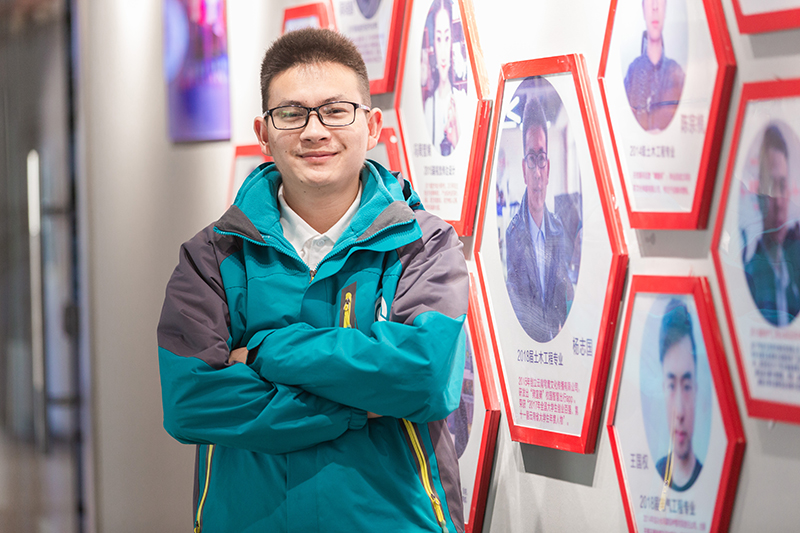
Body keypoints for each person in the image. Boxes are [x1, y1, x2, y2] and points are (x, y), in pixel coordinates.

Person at [157, 28, 469, 532]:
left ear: (372, 126)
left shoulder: (424, 245)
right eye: (291, 114)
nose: (314, 131)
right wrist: (358, 406)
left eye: (335, 110)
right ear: (263, 133)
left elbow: (424, 378)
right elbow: (191, 404)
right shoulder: (212, 257)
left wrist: (266, 351)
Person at [504, 95, 574, 343]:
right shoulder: (513, 234)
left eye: (541, 158)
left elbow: (562, 293)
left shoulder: (557, 229)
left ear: (548, 168)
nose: (537, 173)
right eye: (531, 159)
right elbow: (515, 305)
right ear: (524, 170)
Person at [745, 124, 800, 327]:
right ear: (758, 196)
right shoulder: (750, 278)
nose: (778, 201)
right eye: (770, 186)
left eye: (782, 185)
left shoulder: (793, 275)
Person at [655, 299, 702, 492]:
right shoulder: (652, 476)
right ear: (662, 388)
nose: (680, 412)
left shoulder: (710, 479)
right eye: (672, 386)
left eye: (687, 386)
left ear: (697, 390)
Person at [624, 0, 685, 132]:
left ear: (666, 8)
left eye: (660, 1)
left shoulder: (676, 72)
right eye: (650, 1)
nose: (655, 7)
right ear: (643, 9)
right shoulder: (633, 72)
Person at [422, 0, 463, 156]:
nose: (444, 52)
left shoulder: (462, 100)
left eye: (447, 38)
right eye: (439, 39)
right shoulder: (428, 106)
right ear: (433, 44)